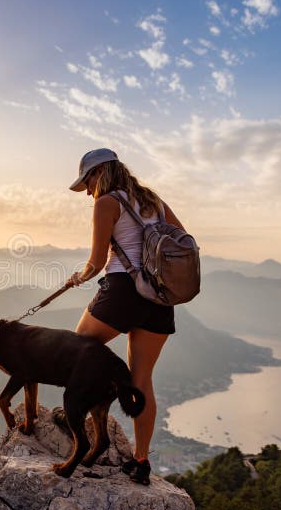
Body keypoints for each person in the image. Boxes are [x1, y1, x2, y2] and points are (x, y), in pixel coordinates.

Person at [62, 148, 187, 485]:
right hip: (159, 296)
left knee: (76, 349)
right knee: (141, 379)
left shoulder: (106, 204)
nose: (87, 191)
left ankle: (83, 419)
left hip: (123, 290)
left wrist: (78, 277)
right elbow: (183, 241)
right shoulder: (155, 202)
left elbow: (97, 261)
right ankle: (141, 460)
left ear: (100, 172)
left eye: (87, 181)